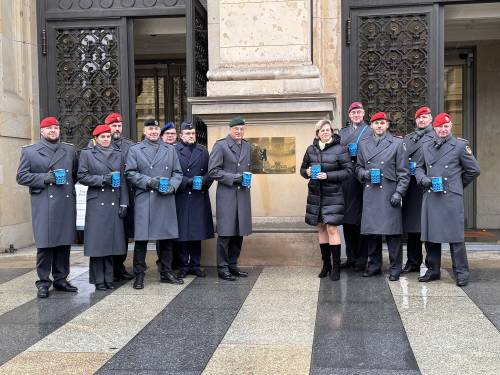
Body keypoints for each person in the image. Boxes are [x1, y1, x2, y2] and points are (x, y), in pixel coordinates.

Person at [16, 116, 79, 298]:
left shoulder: (69, 150)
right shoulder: (30, 152)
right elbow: (21, 177)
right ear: (42, 131)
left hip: (65, 202)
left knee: (63, 243)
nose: (53, 130)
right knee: (45, 244)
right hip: (44, 202)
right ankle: (43, 282)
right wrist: (45, 178)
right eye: (49, 128)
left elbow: (75, 173)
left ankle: (61, 279)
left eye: (56, 128)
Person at [415, 113, 480, 286]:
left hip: (451, 197)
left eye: (446, 126)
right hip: (431, 195)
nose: (443, 130)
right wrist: (423, 180)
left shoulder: (459, 146)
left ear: (450, 126)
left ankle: (461, 272)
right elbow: (418, 168)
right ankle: (433, 270)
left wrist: (456, 185)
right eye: (439, 127)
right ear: (434, 128)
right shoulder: (426, 145)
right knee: (431, 236)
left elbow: (474, 170)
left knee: (455, 237)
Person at [125, 118, 183, 289]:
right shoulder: (135, 150)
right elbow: (130, 173)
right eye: (150, 129)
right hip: (145, 198)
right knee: (142, 239)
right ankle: (139, 275)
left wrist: (172, 186)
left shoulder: (170, 150)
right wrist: (149, 182)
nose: (153, 132)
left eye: (156, 129)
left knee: (166, 239)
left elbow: (177, 172)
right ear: (144, 131)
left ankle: (166, 272)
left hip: (165, 198)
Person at [356, 112, 410, 281]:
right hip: (371, 193)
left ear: (387, 125)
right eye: (376, 123)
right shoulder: (364, 145)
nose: (379, 126)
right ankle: (374, 266)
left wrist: (399, 192)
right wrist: (364, 173)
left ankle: (395, 268)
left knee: (393, 234)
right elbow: (357, 167)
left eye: (382, 123)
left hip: (389, 194)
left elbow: (404, 172)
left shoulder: (397, 143)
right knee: (372, 233)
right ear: (371, 126)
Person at [78, 124, 128, 290]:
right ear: (96, 138)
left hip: (114, 200)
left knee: (112, 242)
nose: (106, 139)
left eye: (108, 136)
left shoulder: (118, 154)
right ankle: (99, 280)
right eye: (103, 137)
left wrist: (124, 202)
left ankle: (109, 278)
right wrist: (102, 180)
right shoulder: (87, 154)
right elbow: (82, 176)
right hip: (97, 202)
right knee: (98, 243)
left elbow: (123, 181)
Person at [301, 119, 353, 281]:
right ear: (317, 134)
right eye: (322, 130)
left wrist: (328, 175)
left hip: (333, 195)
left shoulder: (340, 149)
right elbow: (302, 170)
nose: (325, 132)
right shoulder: (311, 149)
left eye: (328, 130)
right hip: (316, 194)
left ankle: (336, 267)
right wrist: (307, 172)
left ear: (332, 132)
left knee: (332, 229)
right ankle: (326, 265)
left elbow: (348, 171)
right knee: (321, 228)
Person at [208, 116, 252, 281]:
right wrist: (235, 178)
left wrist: (246, 179)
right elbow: (213, 171)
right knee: (225, 234)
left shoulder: (247, 146)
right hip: (227, 196)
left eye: (242, 129)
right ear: (230, 129)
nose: (239, 131)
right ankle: (222, 267)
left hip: (242, 195)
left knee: (239, 233)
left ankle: (233, 265)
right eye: (236, 129)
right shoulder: (221, 146)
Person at [175, 121, 214, 278]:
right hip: (182, 196)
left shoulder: (203, 151)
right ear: (181, 135)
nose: (191, 136)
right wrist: (187, 182)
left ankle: (195, 265)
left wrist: (203, 182)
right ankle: (183, 265)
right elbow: (172, 173)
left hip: (198, 196)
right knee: (182, 233)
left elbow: (211, 172)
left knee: (197, 233)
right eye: (188, 133)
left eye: (193, 133)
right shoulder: (174, 151)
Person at [339, 101, 375, 271]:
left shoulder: (370, 131)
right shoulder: (343, 132)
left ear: (363, 113)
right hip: (346, 179)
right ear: (349, 115)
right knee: (347, 221)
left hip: (362, 178)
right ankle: (351, 256)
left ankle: (362, 258)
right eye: (353, 112)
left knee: (361, 221)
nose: (356, 115)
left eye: (359, 112)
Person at [401, 106, 435, 273]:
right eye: (419, 118)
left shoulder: (436, 136)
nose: (422, 120)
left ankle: (431, 263)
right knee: (412, 227)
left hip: (427, 186)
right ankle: (413, 262)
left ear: (431, 119)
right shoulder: (408, 139)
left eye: (425, 117)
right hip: (410, 187)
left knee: (428, 226)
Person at [103, 112, 135, 281]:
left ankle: (119, 266)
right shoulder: (97, 143)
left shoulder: (129, 145)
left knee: (124, 233)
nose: (117, 128)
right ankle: (108, 268)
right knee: (108, 232)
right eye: (114, 125)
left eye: (119, 125)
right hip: (106, 194)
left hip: (126, 193)